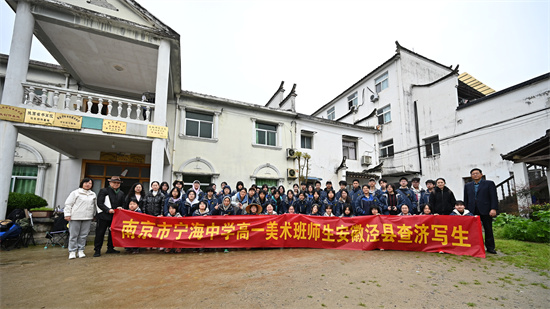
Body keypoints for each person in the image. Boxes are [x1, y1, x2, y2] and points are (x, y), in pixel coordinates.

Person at [464, 169, 498, 253]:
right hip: (472, 210)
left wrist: (493, 208)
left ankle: (490, 247)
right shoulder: (468, 185)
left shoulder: (489, 183)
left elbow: (494, 197)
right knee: (473, 230)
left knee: (488, 229)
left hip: (486, 210)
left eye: (477, 173)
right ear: (471, 175)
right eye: (473, 174)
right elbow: (466, 198)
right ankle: (476, 246)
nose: (475, 175)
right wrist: (466, 210)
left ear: (481, 174)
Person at [64, 178, 97, 259]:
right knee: (73, 235)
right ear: (82, 183)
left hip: (87, 217)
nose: (87, 184)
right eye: (86, 183)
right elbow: (68, 204)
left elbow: (95, 206)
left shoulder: (93, 194)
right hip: (75, 217)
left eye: (90, 183)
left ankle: (81, 250)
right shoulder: (75, 193)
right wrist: (67, 214)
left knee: (83, 235)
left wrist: (94, 215)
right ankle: (72, 251)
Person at [94, 176, 125, 257]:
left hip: (115, 217)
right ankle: (97, 250)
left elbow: (123, 203)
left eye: (118, 183)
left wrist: (121, 207)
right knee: (100, 233)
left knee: (112, 233)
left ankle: (110, 248)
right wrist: (107, 210)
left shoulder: (121, 193)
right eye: (114, 182)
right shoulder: (104, 191)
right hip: (103, 216)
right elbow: (100, 203)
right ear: (110, 183)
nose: (116, 184)